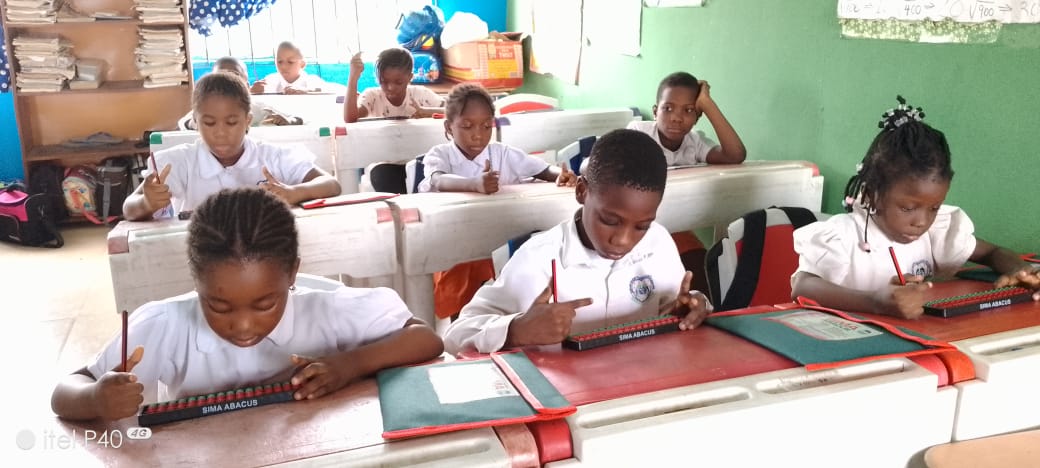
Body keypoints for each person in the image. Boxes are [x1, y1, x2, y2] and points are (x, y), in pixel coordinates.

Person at [51, 188, 444, 420]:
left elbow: (425, 339)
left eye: (264, 304)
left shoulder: (327, 309)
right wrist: (95, 398)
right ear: (196, 280)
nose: (243, 326)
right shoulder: (165, 325)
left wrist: (349, 364)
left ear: (292, 274)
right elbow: (67, 389)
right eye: (220, 307)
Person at [443, 129, 713, 354]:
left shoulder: (659, 243)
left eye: (641, 225)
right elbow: (455, 336)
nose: (622, 240)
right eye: (609, 220)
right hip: (565, 401)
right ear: (582, 191)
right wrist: (515, 330)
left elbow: (674, 306)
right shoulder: (537, 260)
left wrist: (688, 308)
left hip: (639, 394)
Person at [791, 96, 1040, 319]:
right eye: (908, 208)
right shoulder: (843, 234)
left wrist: (1019, 269)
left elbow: (991, 252)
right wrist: (874, 302)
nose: (922, 221)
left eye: (934, 208)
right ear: (871, 195)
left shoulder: (936, 232)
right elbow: (801, 285)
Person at [123, 72, 341, 221]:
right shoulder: (179, 162)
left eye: (231, 122)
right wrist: (147, 203)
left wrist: (294, 192)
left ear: (247, 121)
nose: (220, 132)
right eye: (209, 123)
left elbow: (331, 185)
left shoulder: (271, 156)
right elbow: (129, 208)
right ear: (196, 123)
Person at [419, 82, 576, 193]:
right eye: (467, 126)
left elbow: (543, 169)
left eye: (487, 126)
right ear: (449, 127)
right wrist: (474, 184)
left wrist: (561, 175)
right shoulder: (440, 154)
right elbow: (439, 180)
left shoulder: (502, 153)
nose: (478, 135)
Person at [627, 71, 746, 166]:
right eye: (668, 108)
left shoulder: (695, 142)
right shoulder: (638, 133)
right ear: (655, 112)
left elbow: (735, 155)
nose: (677, 118)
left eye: (688, 110)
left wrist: (707, 104)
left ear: (697, 118)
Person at [179, 56, 303, 130]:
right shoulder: (204, 110)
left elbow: (298, 120)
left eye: (234, 76)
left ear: (247, 87)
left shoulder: (258, 108)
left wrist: (288, 121)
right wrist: (196, 122)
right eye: (221, 77)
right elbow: (183, 124)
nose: (227, 83)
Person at [344, 47, 444, 123]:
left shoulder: (421, 94)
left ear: (410, 77)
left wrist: (426, 111)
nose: (391, 88)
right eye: (384, 81)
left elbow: (455, 111)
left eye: (398, 82)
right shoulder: (372, 96)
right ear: (377, 79)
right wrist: (353, 77)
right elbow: (350, 118)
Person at [251, 41, 330, 95]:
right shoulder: (269, 81)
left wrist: (306, 91)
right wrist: (252, 91)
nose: (283, 66)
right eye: (279, 62)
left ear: (302, 64)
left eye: (290, 62)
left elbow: (332, 92)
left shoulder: (312, 81)